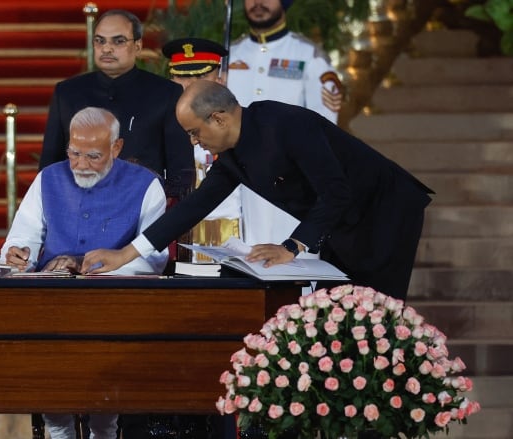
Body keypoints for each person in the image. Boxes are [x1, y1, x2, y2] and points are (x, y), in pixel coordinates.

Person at [81, 80, 433, 301]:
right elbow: (195, 207)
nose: (194, 143)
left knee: (372, 319)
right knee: (333, 316)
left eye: (194, 132)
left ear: (218, 119)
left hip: (386, 212)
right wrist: (126, 254)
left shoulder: (285, 125)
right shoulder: (232, 155)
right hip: (339, 223)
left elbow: (336, 191)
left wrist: (291, 247)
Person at [0, 106, 169, 439]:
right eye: (74, 153)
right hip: (52, 303)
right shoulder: (49, 178)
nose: (80, 164)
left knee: (105, 358)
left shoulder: (147, 185)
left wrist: (87, 267)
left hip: (116, 305)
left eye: (93, 156)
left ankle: (104, 431)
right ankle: (59, 429)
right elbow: (23, 238)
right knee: (43, 348)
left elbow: (155, 257)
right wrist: (21, 255)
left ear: (116, 148)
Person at [226, 0, 344, 269]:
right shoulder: (230, 56)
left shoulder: (308, 55)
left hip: (293, 187)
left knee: (298, 274)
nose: (257, 3)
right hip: (241, 188)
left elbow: (325, 125)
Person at [39, 9, 194, 198]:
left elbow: (181, 170)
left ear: (138, 45)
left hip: (144, 211)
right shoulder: (68, 93)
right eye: (100, 41)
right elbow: (50, 166)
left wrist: (167, 218)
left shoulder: (166, 93)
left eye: (118, 41)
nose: (106, 49)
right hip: (79, 208)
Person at [162, 37, 243, 261]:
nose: (191, 84)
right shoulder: (160, 122)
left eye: (201, 75)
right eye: (182, 76)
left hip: (230, 238)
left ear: (220, 79)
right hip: (173, 236)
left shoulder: (234, 123)